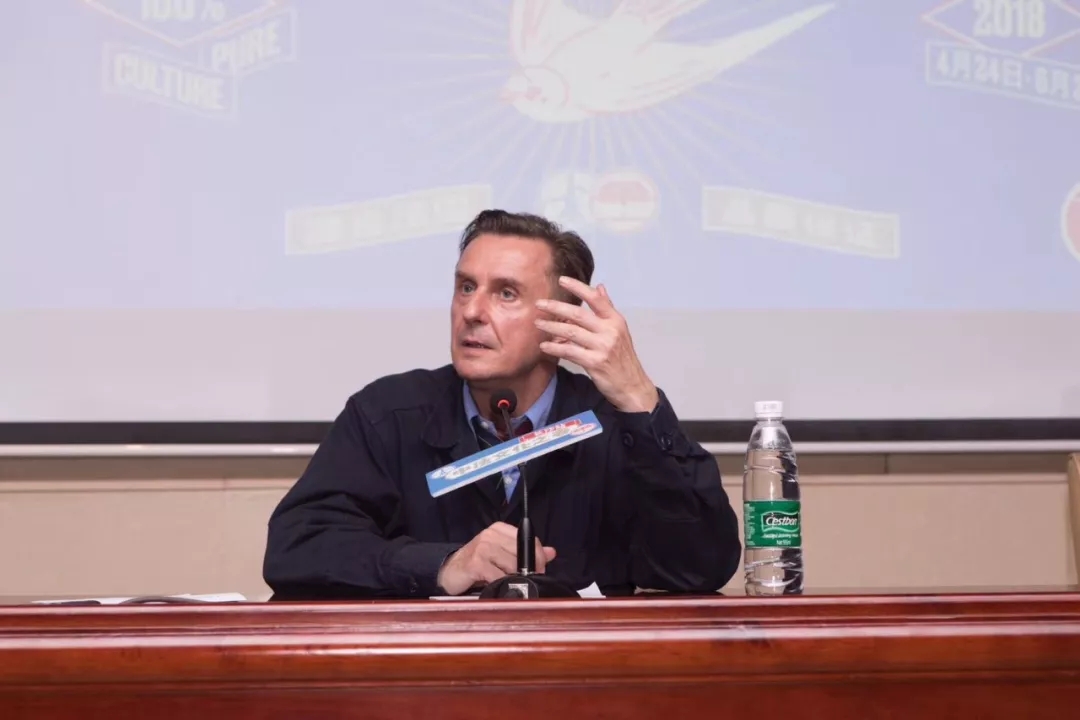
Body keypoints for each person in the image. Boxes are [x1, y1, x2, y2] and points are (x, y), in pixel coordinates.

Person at [262, 209, 741, 599]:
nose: (472, 311)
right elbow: (297, 548)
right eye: (466, 287)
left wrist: (638, 397)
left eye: (506, 294)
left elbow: (700, 566)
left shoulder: (616, 423)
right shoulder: (389, 414)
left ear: (564, 321)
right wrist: (442, 565)